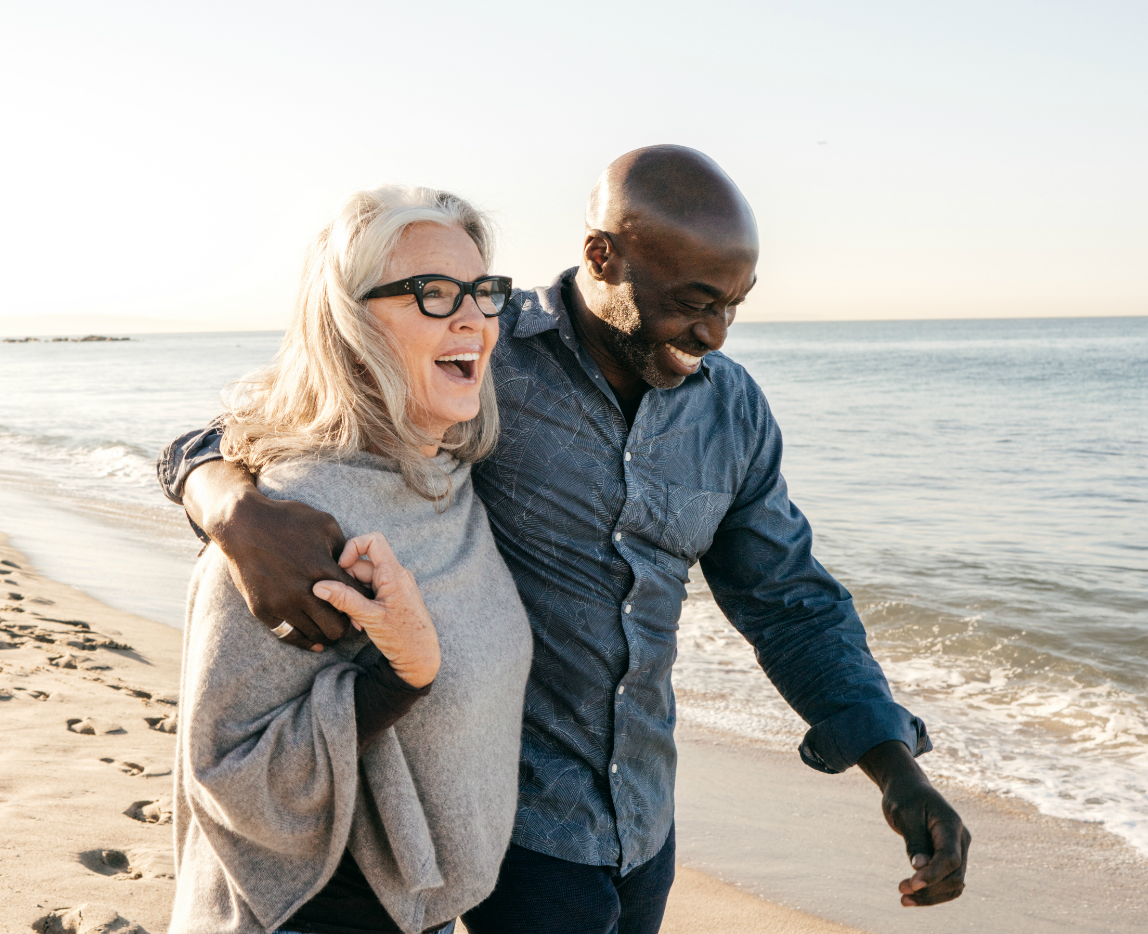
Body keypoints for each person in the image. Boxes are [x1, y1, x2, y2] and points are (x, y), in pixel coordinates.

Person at [160, 146, 971, 934]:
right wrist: (229, 504)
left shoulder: (732, 412)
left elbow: (788, 600)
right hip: (509, 831)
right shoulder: (479, 347)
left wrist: (891, 763)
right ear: (603, 255)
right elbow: (280, 421)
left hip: (644, 817)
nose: (717, 333)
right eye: (693, 301)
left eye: (734, 303)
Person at [167, 185, 533, 934]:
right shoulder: (293, 521)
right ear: (348, 325)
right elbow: (227, 771)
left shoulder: (446, 477)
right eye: (431, 293)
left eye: (482, 292)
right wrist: (401, 678)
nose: (472, 317)